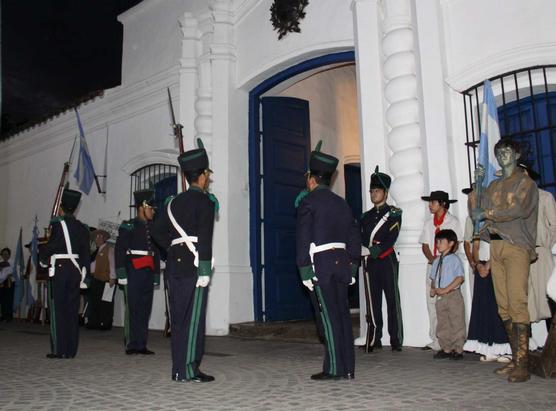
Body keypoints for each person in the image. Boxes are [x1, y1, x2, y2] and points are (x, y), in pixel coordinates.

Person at [151, 139, 217, 383]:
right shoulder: (205, 202)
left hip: (175, 264)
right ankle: (189, 369)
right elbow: (205, 237)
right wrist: (204, 268)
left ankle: (178, 368)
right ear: (201, 176)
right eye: (207, 174)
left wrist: (171, 247)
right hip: (193, 265)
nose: (207, 179)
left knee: (178, 318)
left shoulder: (172, 203)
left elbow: (156, 231)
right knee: (194, 319)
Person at [473, 139, 539, 383]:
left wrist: (488, 214)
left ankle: (523, 363)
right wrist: (478, 185)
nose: (502, 156)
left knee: (517, 302)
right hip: (496, 245)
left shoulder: (525, 183)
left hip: (517, 246)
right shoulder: (493, 185)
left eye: (507, 152)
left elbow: (519, 209)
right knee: (503, 306)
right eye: (498, 152)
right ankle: (515, 357)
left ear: (517, 154)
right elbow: (476, 210)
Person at [295, 141, 361, 380]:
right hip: (342, 263)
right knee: (342, 315)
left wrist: (304, 269)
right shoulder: (342, 203)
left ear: (312, 179)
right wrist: (353, 265)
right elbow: (354, 235)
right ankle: (348, 368)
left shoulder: (308, 202)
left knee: (327, 316)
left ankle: (333, 368)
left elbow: (303, 237)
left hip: (320, 264)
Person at [40, 188, 90, 358]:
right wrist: (86, 275)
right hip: (75, 271)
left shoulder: (57, 224)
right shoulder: (82, 227)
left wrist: (42, 256)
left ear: (61, 207)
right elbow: (85, 254)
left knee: (58, 310)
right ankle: (70, 350)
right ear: (75, 208)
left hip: (60, 270)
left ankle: (59, 350)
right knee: (72, 310)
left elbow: (53, 245)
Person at [463, 187, 511, 362]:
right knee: (483, 308)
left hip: (496, 265)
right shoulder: (475, 221)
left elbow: (500, 244)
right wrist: (477, 264)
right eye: (471, 200)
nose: (472, 203)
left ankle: (506, 347)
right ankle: (488, 346)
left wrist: (490, 265)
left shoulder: (496, 218)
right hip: (481, 267)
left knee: (500, 307)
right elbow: (474, 246)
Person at [360, 166, 403, 351]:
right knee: (373, 302)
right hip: (370, 263)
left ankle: (396, 340)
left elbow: (390, 239)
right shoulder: (365, 216)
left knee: (392, 301)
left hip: (386, 261)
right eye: (371, 191)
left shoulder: (394, 214)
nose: (373, 194)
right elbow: (361, 238)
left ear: (385, 192)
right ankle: (375, 338)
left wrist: (371, 251)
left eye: (377, 191)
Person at [115, 189, 160, 355]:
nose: (153, 211)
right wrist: (121, 272)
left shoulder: (152, 227)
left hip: (148, 271)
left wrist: (156, 275)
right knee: (132, 308)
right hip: (133, 270)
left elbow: (154, 252)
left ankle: (141, 344)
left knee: (145, 309)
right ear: (143, 207)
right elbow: (120, 250)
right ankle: (131, 344)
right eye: (151, 208)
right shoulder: (129, 225)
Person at [419, 190, 462, 351]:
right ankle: (436, 339)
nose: (430, 205)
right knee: (432, 302)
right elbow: (424, 244)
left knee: (449, 304)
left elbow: (456, 243)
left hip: (448, 266)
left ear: (442, 204)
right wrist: (433, 260)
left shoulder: (453, 222)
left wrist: (445, 259)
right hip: (433, 265)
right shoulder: (428, 223)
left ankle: (452, 341)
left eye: (433, 202)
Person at [518, 161, 556, 326]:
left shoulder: (545, 197)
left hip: (541, 252)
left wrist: (545, 244)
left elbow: (554, 225)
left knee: (548, 295)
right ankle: (527, 346)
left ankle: (552, 344)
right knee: (525, 298)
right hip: (522, 254)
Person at [429, 229, 466, 360]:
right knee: (443, 323)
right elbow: (433, 278)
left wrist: (445, 289)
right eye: (436, 242)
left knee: (456, 321)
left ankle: (458, 349)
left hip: (453, 295)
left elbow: (459, 278)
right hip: (441, 298)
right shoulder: (436, 261)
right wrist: (433, 289)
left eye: (440, 241)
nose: (438, 244)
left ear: (451, 243)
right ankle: (446, 348)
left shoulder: (455, 259)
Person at [87, 229, 116, 330]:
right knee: (95, 302)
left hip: (107, 280)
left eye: (99, 237)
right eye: (96, 237)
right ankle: (95, 322)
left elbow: (112, 264)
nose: (97, 239)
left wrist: (112, 277)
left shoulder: (110, 249)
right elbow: (92, 266)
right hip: (96, 279)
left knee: (106, 303)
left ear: (104, 238)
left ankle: (106, 323)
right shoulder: (95, 252)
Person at [0, 248, 14, 322]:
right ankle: (3, 315)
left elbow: (13, 273)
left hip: (9, 283)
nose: (5, 255)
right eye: (3, 254)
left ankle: (8, 316)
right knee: (2, 299)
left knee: (9, 300)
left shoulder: (12, 263)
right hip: (1, 283)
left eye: (6, 254)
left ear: (9, 255)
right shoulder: (0, 262)